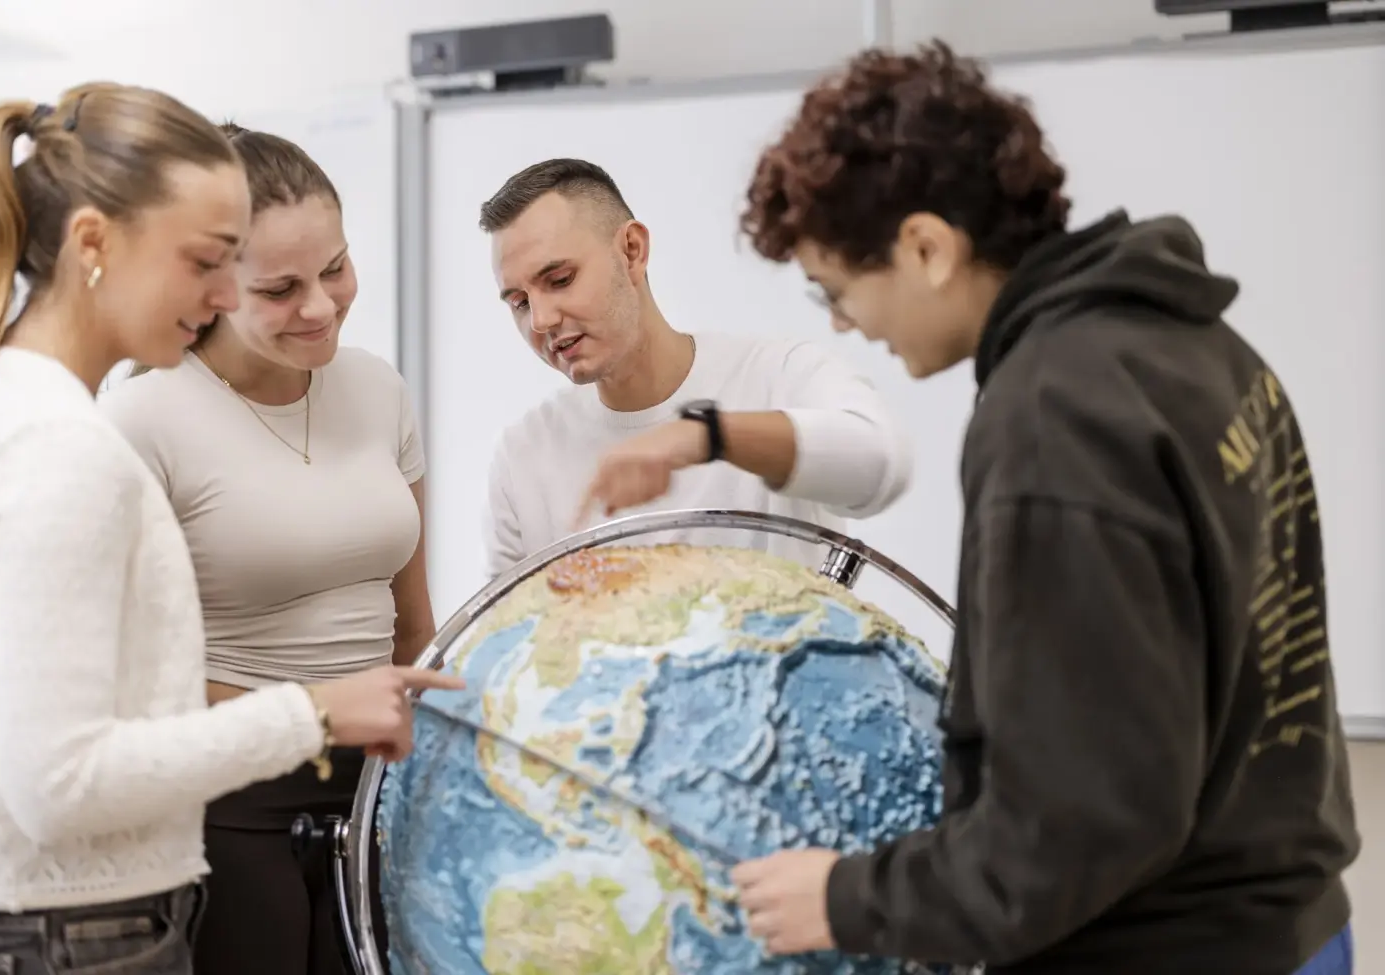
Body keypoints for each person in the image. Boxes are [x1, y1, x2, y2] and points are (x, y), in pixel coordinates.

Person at [722, 42, 1359, 975]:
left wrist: (847, 897)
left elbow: (1083, 820)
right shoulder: (1197, 345)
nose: (843, 324)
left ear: (928, 248)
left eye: (839, 288)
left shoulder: (1054, 417)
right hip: (1291, 924)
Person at [0, 85, 461, 975]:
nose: (221, 294)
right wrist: (316, 708)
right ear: (93, 244)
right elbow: (60, 781)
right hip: (60, 932)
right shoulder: (73, 446)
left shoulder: (19, 411)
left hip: (47, 923)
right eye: (210, 262)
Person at [102, 124, 431, 975]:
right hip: (234, 810)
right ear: (211, 284)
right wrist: (320, 710)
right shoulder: (146, 418)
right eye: (280, 288)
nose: (320, 305)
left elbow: (413, 621)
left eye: (335, 268)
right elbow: (129, 674)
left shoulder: (378, 387)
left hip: (385, 793)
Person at [477, 157, 913, 576]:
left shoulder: (777, 376)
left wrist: (706, 436)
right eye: (519, 302)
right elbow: (503, 640)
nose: (541, 320)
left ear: (632, 251)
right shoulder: (523, 456)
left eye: (560, 280)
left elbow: (881, 465)